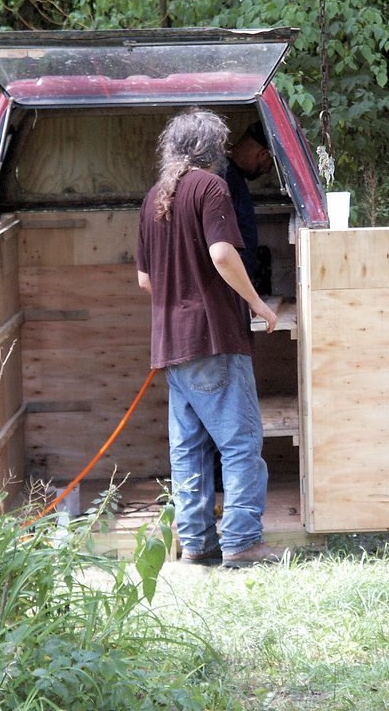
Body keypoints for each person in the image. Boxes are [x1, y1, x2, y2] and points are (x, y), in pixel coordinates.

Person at [137, 108, 280, 569]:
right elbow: (221, 253)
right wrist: (257, 304)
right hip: (214, 338)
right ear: (212, 149)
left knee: (190, 450)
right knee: (239, 444)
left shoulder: (154, 198)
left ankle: (197, 547)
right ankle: (242, 542)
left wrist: (178, 302)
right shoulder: (211, 187)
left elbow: (145, 281)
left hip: (170, 345)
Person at [224, 121, 275, 292]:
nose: (268, 171)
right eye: (271, 164)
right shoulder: (225, 179)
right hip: (230, 286)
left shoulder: (231, 176)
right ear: (263, 154)